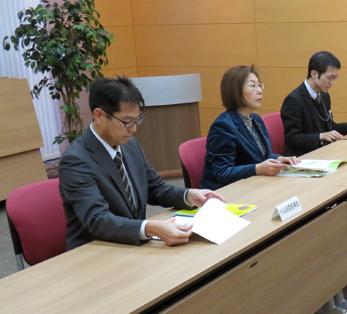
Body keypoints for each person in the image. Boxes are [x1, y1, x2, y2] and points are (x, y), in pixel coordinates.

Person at [59, 77, 226, 250]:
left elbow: (154, 188)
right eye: (127, 122)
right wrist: (149, 228)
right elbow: (97, 220)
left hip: (131, 245)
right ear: (99, 116)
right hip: (96, 251)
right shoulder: (76, 160)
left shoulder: (129, 145)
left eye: (137, 120)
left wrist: (188, 195)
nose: (133, 129)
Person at [200, 66, 298, 190]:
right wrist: (257, 168)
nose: (260, 91)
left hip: (252, 184)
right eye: (253, 86)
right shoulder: (223, 126)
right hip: (226, 192)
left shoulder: (255, 119)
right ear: (235, 91)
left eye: (259, 85)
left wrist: (279, 158)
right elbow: (222, 173)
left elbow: (260, 155)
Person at [280, 51, 347, 157]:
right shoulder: (293, 100)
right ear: (314, 74)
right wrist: (320, 136)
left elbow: (330, 127)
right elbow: (292, 138)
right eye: (329, 77)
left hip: (324, 152)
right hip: (304, 157)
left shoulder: (324, 95)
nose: (332, 82)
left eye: (335, 78)